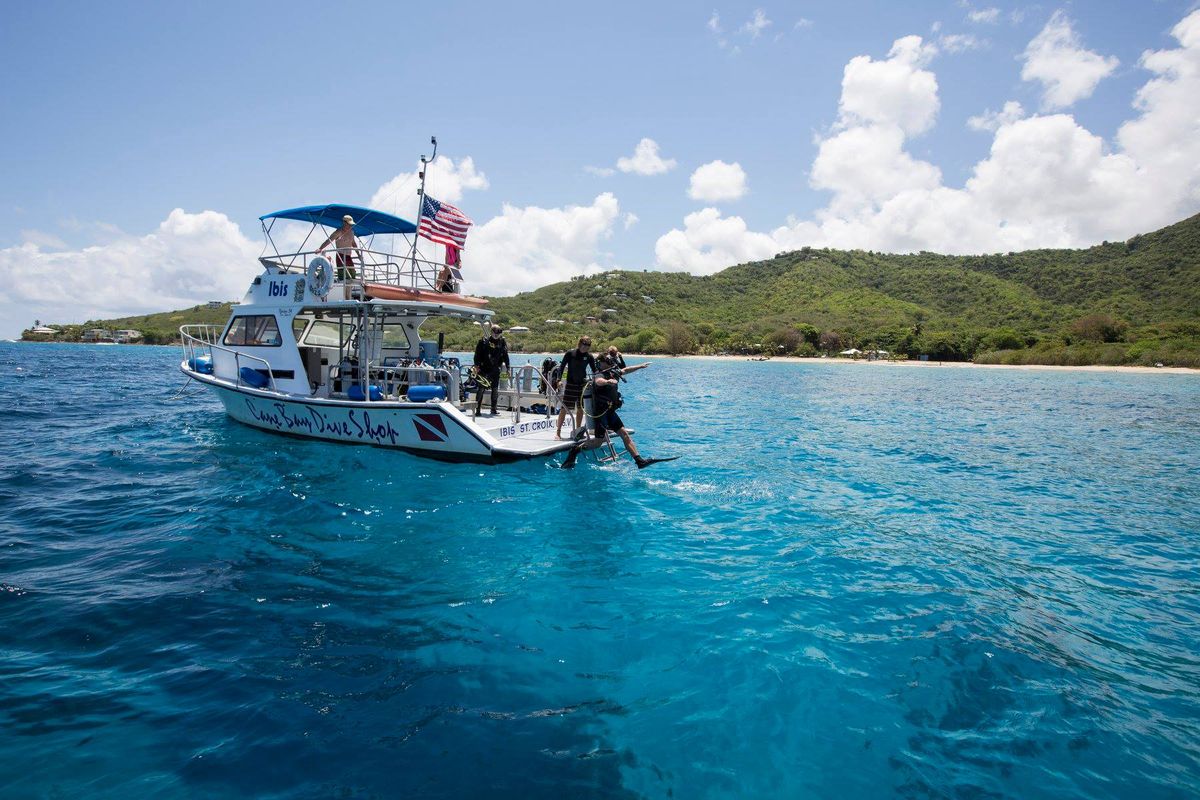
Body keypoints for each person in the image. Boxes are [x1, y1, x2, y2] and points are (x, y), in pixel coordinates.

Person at [561, 352, 676, 469]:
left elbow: (626, 370)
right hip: (601, 413)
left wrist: (640, 366)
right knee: (597, 443)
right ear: (601, 363)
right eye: (607, 361)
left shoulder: (613, 372)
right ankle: (576, 450)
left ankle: (639, 461)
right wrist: (607, 382)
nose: (610, 362)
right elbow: (598, 381)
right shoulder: (599, 374)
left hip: (610, 411)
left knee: (624, 434)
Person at [556, 336, 597, 438]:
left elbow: (595, 370)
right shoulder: (570, 353)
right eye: (584, 345)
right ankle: (558, 431)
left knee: (580, 409)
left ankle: (578, 430)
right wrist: (558, 380)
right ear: (579, 344)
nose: (585, 347)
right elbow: (561, 367)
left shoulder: (589, 357)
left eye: (588, 345)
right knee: (564, 408)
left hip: (582, 385)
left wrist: (597, 380)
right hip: (571, 384)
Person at [317, 215, 360, 298]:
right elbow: (328, 240)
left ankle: (348, 297)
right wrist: (320, 248)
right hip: (340, 256)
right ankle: (346, 298)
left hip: (348, 257)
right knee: (345, 278)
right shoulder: (338, 232)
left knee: (352, 277)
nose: (350, 226)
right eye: (349, 224)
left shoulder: (352, 232)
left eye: (351, 224)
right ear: (344, 223)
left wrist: (358, 254)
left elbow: (354, 244)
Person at [473, 324, 510, 415]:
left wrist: (508, 367)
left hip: (495, 369)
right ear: (491, 332)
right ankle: (477, 409)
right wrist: (477, 366)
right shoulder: (483, 341)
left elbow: (505, 355)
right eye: (495, 332)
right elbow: (477, 354)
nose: (496, 334)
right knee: (481, 389)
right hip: (484, 369)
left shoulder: (502, 342)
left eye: (499, 332)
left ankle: (493, 409)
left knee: (495, 389)